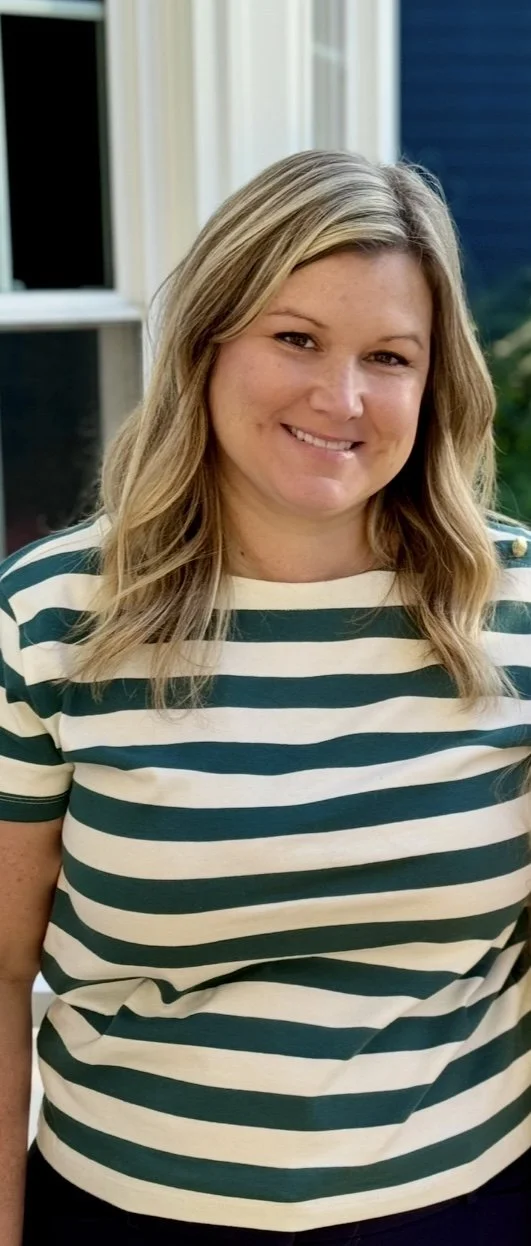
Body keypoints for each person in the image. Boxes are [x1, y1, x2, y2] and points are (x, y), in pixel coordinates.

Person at [0, 149, 529, 1246]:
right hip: (129, 1214)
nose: (341, 398)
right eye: (296, 339)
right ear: (207, 344)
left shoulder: (515, 607)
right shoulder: (51, 619)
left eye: (389, 356)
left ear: (433, 386)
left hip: (466, 1205)